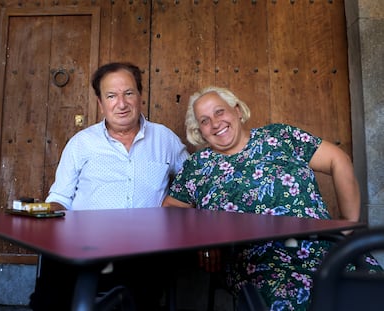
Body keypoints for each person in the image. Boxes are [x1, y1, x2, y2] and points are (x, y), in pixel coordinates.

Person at [162, 86, 382, 310]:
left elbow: (338, 159)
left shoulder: (280, 136)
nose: (215, 123)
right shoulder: (198, 165)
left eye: (220, 112)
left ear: (237, 110)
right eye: (205, 120)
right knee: (286, 301)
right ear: (199, 130)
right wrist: (203, 237)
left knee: (372, 291)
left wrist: (347, 223)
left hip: (324, 248)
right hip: (260, 263)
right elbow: (171, 208)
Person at [29, 62, 189, 311]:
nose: (121, 104)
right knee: (51, 297)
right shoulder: (81, 143)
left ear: (140, 96)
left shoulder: (165, 139)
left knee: (140, 297)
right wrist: (43, 219)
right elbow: (60, 196)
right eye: (112, 96)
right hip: (82, 243)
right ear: (100, 103)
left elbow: (193, 183)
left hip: (144, 248)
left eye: (128, 93)